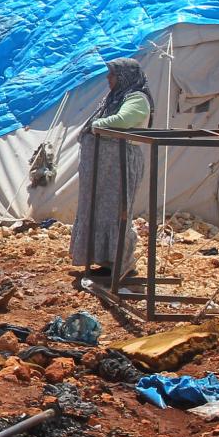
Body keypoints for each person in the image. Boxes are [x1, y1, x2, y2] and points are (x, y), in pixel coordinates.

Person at [71, 57, 153, 276]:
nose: (108, 79)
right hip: (104, 166)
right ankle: (104, 262)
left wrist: (95, 125)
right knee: (98, 210)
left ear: (124, 77)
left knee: (116, 211)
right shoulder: (115, 97)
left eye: (112, 74)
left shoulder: (137, 98)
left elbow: (123, 120)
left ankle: (121, 265)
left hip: (119, 164)